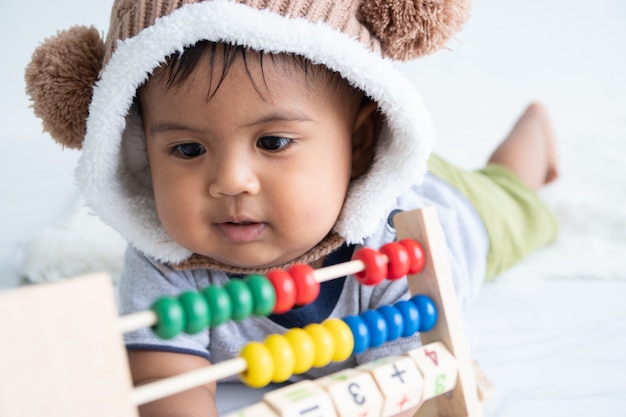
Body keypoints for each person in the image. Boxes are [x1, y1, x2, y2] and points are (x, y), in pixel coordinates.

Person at [24, 0, 558, 415]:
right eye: (188, 150)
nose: (230, 181)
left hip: (452, 200)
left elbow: (401, 385)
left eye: (273, 142)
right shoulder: (167, 265)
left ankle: (532, 129)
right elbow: (161, 376)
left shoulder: (397, 251)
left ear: (361, 143)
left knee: (510, 186)